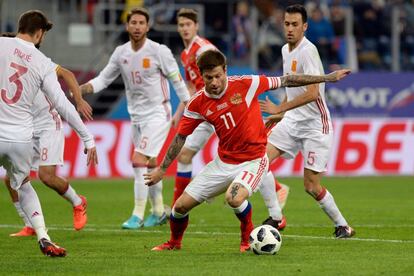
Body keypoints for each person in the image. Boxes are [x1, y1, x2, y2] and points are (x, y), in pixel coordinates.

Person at [144, 49, 350, 252]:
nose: (214, 82)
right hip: (222, 163)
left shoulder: (247, 83)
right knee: (179, 208)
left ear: (225, 70)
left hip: (253, 160)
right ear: (202, 76)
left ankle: (246, 237)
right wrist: (162, 169)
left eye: (218, 76)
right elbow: (181, 137)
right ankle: (174, 243)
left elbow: (287, 80)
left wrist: (327, 78)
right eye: (209, 78)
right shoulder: (197, 103)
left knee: (234, 198)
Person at [174, 9, 289, 224]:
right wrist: (180, 112)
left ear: (196, 26)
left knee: (187, 155)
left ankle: (181, 202)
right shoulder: (184, 54)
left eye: (188, 25)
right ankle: (273, 196)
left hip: (216, 107)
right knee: (242, 155)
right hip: (205, 109)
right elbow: (190, 87)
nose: (184, 29)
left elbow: (218, 69)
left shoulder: (204, 49)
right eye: (181, 25)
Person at [80, 7, 190, 229]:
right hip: (136, 117)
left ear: (148, 27)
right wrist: (81, 88)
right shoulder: (121, 53)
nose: (137, 26)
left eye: (142, 23)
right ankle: (159, 211)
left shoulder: (159, 51)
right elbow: (103, 79)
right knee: (149, 163)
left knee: (138, 159)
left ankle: (137, 215)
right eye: (134, 23)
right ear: (127, 26)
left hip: (159, 114)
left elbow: (177, 80)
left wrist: (188, 104)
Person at [0, 10, 98, 256]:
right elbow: (63, 104)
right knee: (21, 183)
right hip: (22, 135)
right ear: (39, 32)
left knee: (45, 176)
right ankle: (41, 234)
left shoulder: (2, 45)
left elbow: (65, 78)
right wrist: (87, 137)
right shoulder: (41, 61)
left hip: (42, 126)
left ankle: (76, 202)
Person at [260, 4, 355, 238]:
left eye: (295, 24)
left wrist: (280, 107)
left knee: (311, 186)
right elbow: (291, 86)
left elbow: (313, 93)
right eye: (286, 24)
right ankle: (277, 217)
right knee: (258, 160)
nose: (290, 29)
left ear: (305, 27)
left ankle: (343, 225)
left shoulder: (308, 50)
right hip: (292, 122)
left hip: (315, 126)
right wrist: (280, 114)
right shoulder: (285, 50)